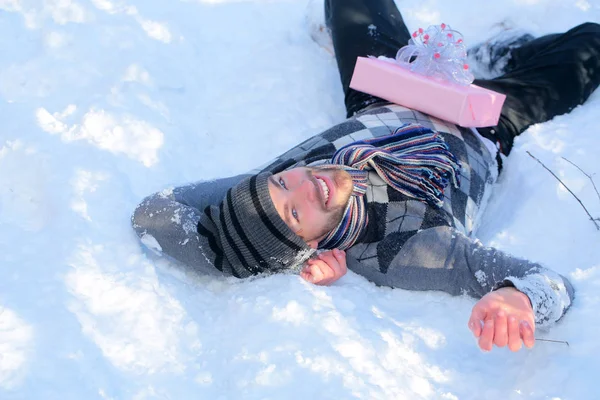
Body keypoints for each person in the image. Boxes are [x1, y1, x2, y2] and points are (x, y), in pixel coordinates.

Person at [132, 0, 600, 352]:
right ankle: (498, 57)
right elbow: (549, 282)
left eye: (281, 184)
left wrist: (282, 243)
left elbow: (154, 214)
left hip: (393, 86)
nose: (303, 183)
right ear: (312, 245)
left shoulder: (274, 183)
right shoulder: (403, 248)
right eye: (296, 213)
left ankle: (475, 58)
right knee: (592, 44)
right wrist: (519, 298)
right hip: (483, 125)